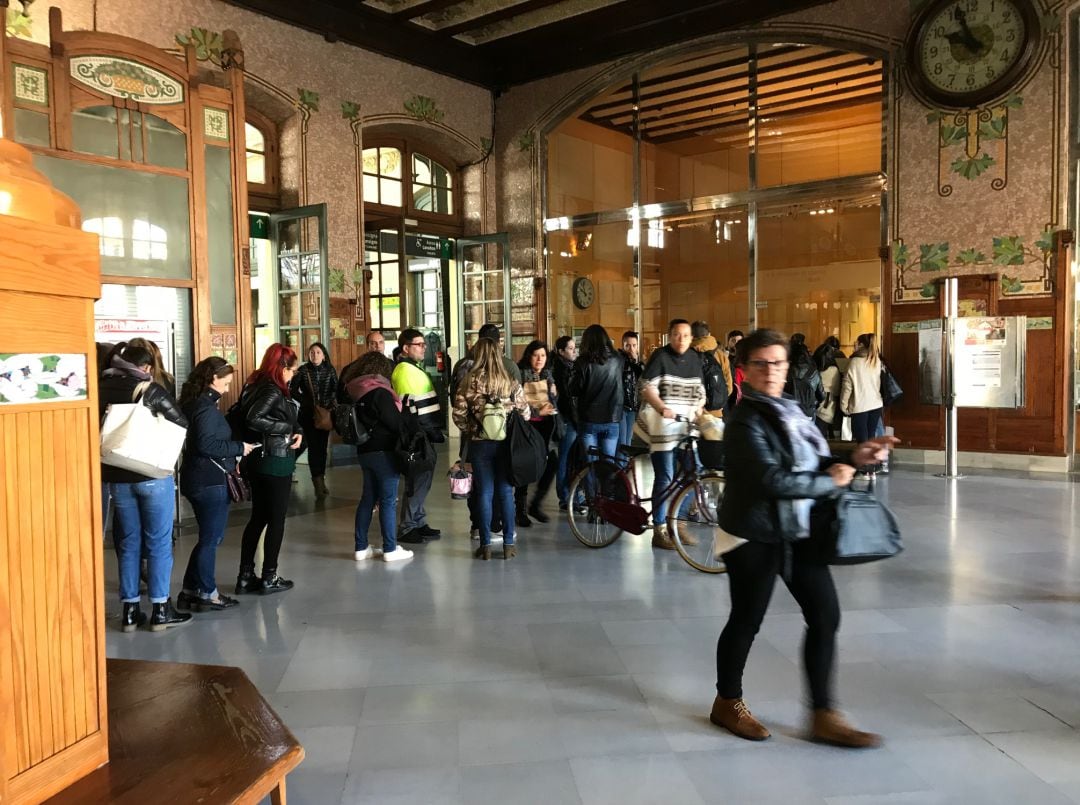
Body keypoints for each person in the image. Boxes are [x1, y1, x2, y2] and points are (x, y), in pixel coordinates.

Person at [711, 328, 895, 747]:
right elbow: (773, 480)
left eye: (778, 362)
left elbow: (810, 459)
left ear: (787, 367)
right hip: (754, 534)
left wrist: (854, 458)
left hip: (796, 529)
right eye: (760, 363)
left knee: (825, 615)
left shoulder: (789, 409)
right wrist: (831, 481)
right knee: (746, 620)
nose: (771, 371)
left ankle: (823, 714)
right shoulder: (744, 421)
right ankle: (727, 701)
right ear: (744, 371)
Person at [99, 343, 190, 631]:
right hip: (151, 475)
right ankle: (161, 609)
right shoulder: (147, 388)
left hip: (116, 476)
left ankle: (129, 610)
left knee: (128, 544)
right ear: (146, 367)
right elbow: (179, 421)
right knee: (158, 543)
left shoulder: (100, 386)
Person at [177, 357, 257, 612]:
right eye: (226, 382)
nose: (227, 388)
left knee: (207, 538)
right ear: (214, 379)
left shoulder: (192, 403)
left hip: (195, 477)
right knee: (211, 539)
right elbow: (207, 445)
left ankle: (191, 588)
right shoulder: (205, 408)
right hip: (209, 480)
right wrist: (239, 448)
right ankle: (207, 592)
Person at [452, 338, 530, 560]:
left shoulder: (468, 381)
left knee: (484, 493)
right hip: (506, 445)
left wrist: (473, 429)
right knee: (506, 492)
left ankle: (485, 545)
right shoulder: (510, 381)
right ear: (499, 353)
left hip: (479, 444)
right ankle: (508, 544)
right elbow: (525, 413)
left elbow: (458, 415)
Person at [235, 343, 303, 596]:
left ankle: (245, 575)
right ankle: (269, 576)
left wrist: (297, 430)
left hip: (258, 459)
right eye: (292, 370)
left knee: (258, 518)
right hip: (274, 460)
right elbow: (255, 418)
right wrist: (286, 430)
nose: (293, 374)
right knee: (276, 520)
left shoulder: (254, 383)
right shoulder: (273, 390)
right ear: (282, 367)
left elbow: (287, 418)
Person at [638, 319, 706, 550]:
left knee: (695, 473)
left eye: (686, 335)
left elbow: (700, 392)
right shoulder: (660, 357)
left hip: (687, 427)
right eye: (677, 334)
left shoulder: (696, 359)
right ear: (669, 335)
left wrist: (700, 409)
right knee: (665, 477)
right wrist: (661, 408)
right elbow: (646, 386)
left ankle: (677, 522)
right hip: (663, 427)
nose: (682, 339)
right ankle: (659, 529)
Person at [345, 351, 413, 563]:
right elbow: (395, 423)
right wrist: (407, 412)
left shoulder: (358, 393)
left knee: (368, 498)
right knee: (388, 500)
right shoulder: (380, 393)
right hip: (384, 452)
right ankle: (390, 549)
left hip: (364, 451)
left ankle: (361, 547)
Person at [391, 328, 443, 545]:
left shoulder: (413, 368)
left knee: (423, 480)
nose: (424, 348)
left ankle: (418, 521)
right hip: (417, 436)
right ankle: (408, 526)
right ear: (406, 348)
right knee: (418, 480)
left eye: (424, 344)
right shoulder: (404, 371)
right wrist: (427, 432)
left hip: (423, 434)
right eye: (419, 344)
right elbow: (414, 409)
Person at [515, 340, 558, 527]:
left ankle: (536, 504)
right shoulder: (520, 373)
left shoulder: (548, 375)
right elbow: (517, 404)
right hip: (527, 427)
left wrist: (554, 397)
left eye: (543, 355)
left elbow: (553, 402)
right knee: (525, 467)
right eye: (536, 355)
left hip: (545, 428)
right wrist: (536, 412)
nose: (540, 359)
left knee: (552, 464)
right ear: (529, 356)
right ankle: (520, 511)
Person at [570, 324, 624, 465]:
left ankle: (591, 488)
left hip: (589, 419)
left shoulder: (583, 361)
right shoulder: (618, 359)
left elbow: (574, 389)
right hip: (612, 417)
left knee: (590, 465)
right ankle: (607, 487)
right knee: (609, 464)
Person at [290, 342, 337, 499]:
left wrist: (328, 403)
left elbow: (335, 389)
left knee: (321, 448)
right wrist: (306, 401)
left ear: (323, 355)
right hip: (307, 415)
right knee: (310, 446)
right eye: (312, 352)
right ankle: (316, 482)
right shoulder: (303, 371)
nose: (314, 355)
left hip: (324, 415)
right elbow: (292, 390)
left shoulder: (330, 370)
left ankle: (321, 479)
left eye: (318, 352)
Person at [840, 333, 883, 442]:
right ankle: (873, 458)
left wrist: (844, 405)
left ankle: (865, 458)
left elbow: (847, 386)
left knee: (862, 441)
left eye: (856, 343)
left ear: (861, 345)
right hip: (876, 404)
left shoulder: (854, 363)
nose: (854, 345)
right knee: (871, 437)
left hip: (860, 406)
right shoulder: (876, 360)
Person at [552, 334, 578, 509]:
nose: (574, 351)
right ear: (561, 351)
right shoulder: (561, 369)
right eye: (570, 348)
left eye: (574, 348)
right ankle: (564, 495)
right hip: (567, 419)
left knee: (569, 457)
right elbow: (567, 398)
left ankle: (568, 494)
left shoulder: (569, 366)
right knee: (565, 456)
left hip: (570, 418)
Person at [690, 321, 731, 419]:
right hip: (716, 413)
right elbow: (729, 386)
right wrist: (718, 400)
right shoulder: (721, 355)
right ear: (709, 334)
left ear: (691, 335)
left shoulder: (687, 354)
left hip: (693, 414)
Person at [784, 333, 824, 419]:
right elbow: (821, 396)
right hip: (808, 412)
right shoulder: (814, 371)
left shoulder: (786, 371)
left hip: (791, 413)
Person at [618, 331, 645, 447]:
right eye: (627, 345)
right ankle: (619, 465)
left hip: (632, 406)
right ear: (622, 346)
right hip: (620, 405)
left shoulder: (638, 363)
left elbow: (644, 377)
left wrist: (636, 362)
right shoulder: (619, 360)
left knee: (628, 440)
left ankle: (624, 464)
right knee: (622, 441)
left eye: (634, 345)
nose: (631, 349)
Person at [816, 347, 842, 440]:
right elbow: (836, 390)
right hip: (827, 404)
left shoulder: (814, 367)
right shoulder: (834, 370)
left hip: (812, 403)